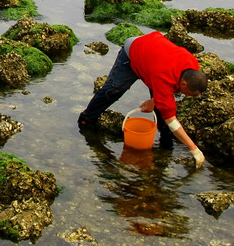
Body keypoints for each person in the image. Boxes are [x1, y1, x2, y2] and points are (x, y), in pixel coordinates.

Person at [78, 31, 208, 168]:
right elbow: (171, 120)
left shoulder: (192, 67)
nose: (190, 97)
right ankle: (85, 121)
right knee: (114, 91)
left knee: (161, 107)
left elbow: (164, 91)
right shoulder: (163, 76)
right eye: (191, 94)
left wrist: (154, 100)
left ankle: (166, 147)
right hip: (132, 52)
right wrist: (193, 149)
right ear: (184, 84)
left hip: (152, 57)